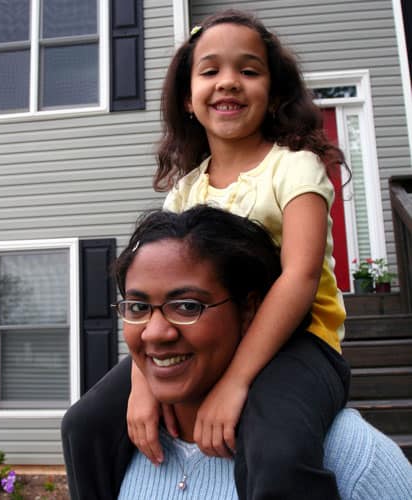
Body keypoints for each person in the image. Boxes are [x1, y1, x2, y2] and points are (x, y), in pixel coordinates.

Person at [131, 9, 351, 499]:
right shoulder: (184, 194)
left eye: (248, 71)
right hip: (206, 341)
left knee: (277, 454)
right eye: (210, 71)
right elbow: (150, 298)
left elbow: (298, 277)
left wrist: (234, 383)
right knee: (83, 425)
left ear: (273, 94)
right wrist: (140, 385)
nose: (228, 82)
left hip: (301, 343)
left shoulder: (296, 170)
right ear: (188, 99)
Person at [62, 206, 412, 499]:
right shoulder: (112, 449)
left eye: (187, 306)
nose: (156, 333)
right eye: (137, 308)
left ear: (249, 311)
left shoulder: (346, 455)